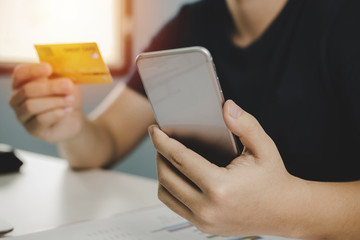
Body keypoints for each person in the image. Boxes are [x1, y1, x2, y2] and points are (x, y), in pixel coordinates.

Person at [9, 0, 360, 238]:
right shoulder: (189, 23)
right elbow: (100, 145)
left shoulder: (344, 20)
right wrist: (68, 127)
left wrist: (284, 209)